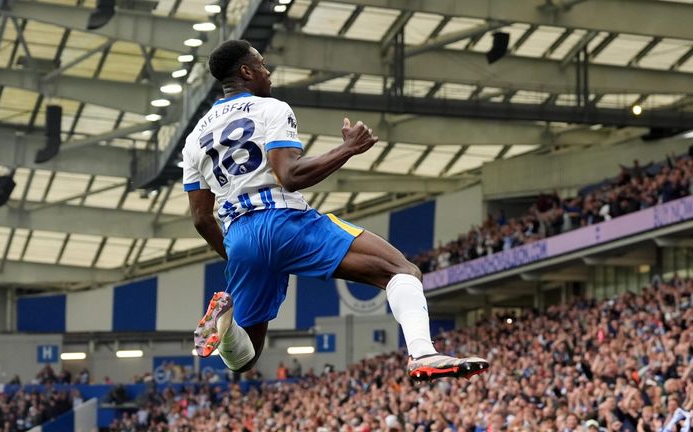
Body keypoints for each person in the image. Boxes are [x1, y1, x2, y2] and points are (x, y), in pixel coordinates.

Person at [185, 39, 488, 381]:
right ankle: (422, 353)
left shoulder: (194, 138)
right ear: (246, 71)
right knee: (400, 270)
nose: (268, 73)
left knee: (244, 360)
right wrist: (348, 149)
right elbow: (290, 176)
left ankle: (226, 329)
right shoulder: (271, 109)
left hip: (238, 235)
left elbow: (200, 218)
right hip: (284, 221)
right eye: (262, 64)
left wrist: (237, 255)